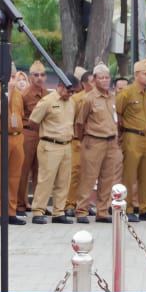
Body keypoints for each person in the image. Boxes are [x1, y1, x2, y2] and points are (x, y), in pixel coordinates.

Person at [74, 64, 122, 223]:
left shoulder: (113, 97)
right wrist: (85, 139)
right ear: (94, 80)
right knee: (88, 178)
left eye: (107, 77)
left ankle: (102, 211)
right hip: (93, 141)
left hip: (111, 142)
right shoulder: (88, 98)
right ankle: (81, 211)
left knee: (107, 179)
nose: (105, 80)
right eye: (101, 78)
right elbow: (80, 123)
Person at [27, 75, 77, 224]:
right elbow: (33, 121)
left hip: (66, 145)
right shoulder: (47, 101)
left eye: (73, 92)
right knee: (46, 180)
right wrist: (47, 133)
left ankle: (58, 212)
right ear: (61, 86)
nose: (71, 94)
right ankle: (38, 211)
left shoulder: (72, 102)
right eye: (69, 91)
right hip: (50, 144)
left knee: (63, 181)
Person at [115, 59, 146, 221]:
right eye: (144, 74)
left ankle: (144, 208)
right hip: (131, 136)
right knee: (129, 175)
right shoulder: (126, 93)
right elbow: (118, 114)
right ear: (136, 75)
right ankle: (127, 208)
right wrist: (122, 135)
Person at [0, 68, 26, 225]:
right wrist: (8, 90)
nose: (14, 80)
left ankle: (10, 212)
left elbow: (20, 115)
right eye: (11, 76)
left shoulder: (18, 95)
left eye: (15, 76)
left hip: (16, 137)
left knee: (14, 178)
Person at [19, 61, 48, 215]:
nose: (39, 78)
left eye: (42, 75)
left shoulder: (48, 95)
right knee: (23, 170)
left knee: (41, 172)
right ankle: (20, 204)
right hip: (28, 134)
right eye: (36, 75)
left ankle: (39, 205)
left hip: (43, 134)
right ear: (30, 77)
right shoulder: (24, 95)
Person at [65, 70, 91, 219]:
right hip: (77, 139)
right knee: (74, 172)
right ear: (84, 84)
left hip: (93, 141)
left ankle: (83, 204)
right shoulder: (76, 99)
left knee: (88, 175)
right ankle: (69, 204)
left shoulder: (100, 98)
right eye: (92, 82)